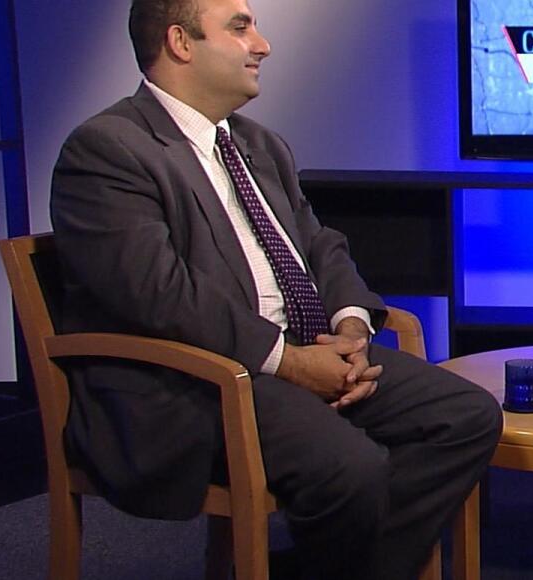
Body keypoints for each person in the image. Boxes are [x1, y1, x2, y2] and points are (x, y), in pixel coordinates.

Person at [49, 1, 503, 578]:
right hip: (195, 380)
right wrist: (288, 362)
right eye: (240, 28)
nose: (262, 45)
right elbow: (159, 296)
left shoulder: (259, 144)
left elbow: (320, 245)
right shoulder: (108, 149)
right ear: (181, 43)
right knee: (351, 469)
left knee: (466, 416)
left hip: (298, 351)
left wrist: (350, 327)